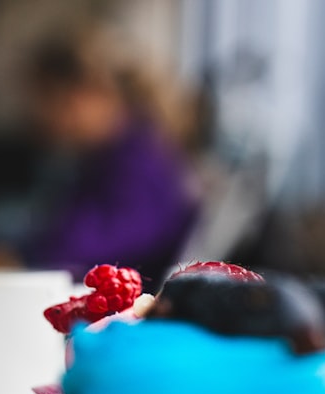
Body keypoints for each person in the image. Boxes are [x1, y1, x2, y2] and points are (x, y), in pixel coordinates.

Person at [22, 25, 199, 285]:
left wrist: (25, 256)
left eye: (47, 99)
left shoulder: (139, 161)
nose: (40, 116)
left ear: (84, 94)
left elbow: (94, 249)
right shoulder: (107, 156)